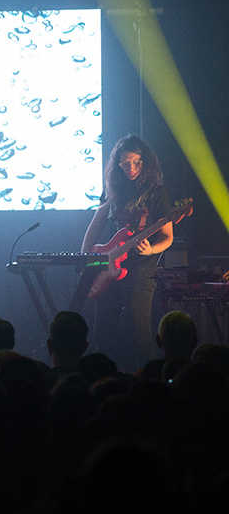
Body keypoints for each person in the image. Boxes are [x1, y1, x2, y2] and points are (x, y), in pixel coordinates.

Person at [81, 135, 172, 372]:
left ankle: (152, 382)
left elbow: (167, 237)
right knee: (102, 327)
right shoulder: (114, 189)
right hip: (110, 264)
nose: (131, 168)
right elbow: (98, 220)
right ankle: (104, 379)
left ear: (145, 161)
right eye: (125, 164)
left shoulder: (155, 191)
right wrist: (84, 256)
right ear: (118, 165)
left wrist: (151, 248)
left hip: (142, 265)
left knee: (138, 328)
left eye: (136, 162)